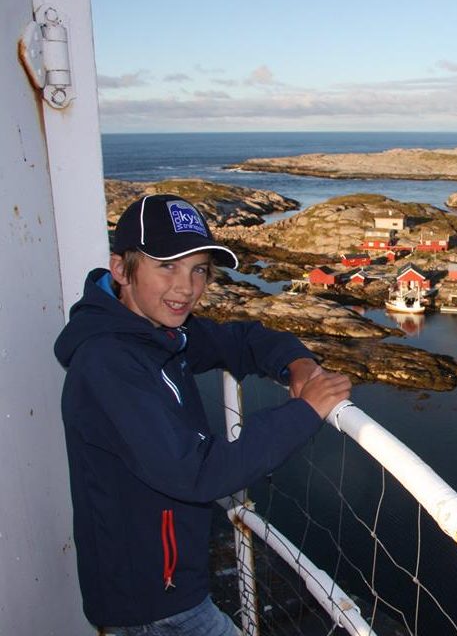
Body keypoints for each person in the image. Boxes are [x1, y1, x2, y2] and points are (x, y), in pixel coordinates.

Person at [54, 194, 351, 635]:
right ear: (121, 269)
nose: (186, 287)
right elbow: (199, 474)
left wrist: (297, 362)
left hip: (165, 582)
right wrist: (305, 411)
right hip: (153, 604)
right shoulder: (111, 362)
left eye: (198, 269)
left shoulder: (154, 333)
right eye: (167, 266)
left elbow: (239, 340)